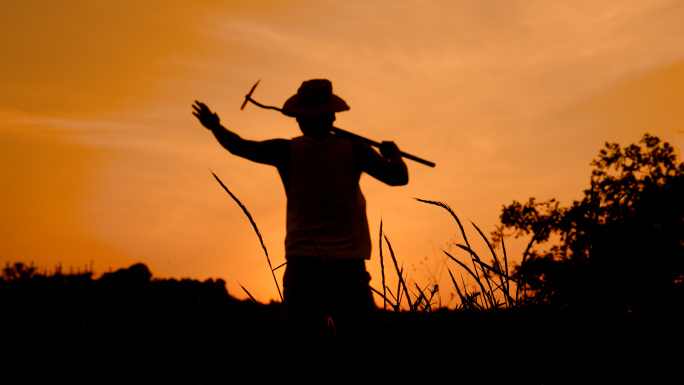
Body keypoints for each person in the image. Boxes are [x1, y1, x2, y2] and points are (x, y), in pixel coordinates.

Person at [192, 79, 408, 375]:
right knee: (360, 347)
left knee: (305, 350)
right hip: (348, 265)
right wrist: (393, 154)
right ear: (332, 116)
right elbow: (398, 177)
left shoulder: (286, 151)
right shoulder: (356, 150)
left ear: (299, 119)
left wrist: (214, 126)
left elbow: (239, 147)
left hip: (303, 263)